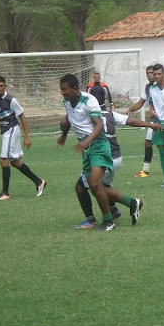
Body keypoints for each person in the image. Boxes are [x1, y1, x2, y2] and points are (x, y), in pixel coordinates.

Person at [57, 73, 140, 231]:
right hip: (87, 148)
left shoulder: (89, 101)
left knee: (95, 184)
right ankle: (98, 217)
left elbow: (99, 125)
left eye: (65, 89)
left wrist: (86, 142)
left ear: (75, 88)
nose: (63, 92)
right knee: (82, 187)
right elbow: (70, 117)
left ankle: (109, 222)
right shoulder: (67, 101)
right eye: (61, 89)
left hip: (98, 145)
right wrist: (64, 134)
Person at [63, 109, 162, 229]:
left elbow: (68, 122)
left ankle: (96, 219)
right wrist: (151, 125)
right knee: (101, 185)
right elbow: (132, 121)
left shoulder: (86, 114)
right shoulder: (110, 114)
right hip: (116, 157)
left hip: (103, 156)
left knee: (82, 187)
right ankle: (113, 210)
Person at [0, 76, 48, 200]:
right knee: (15, 162)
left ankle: (5, 192)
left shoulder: (11, 100)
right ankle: (39, 182)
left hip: (12, 130)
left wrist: (26, 136)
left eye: (1, 86)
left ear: (5, 86)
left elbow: (22, 117)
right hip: (5, 132)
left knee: (4, 159)